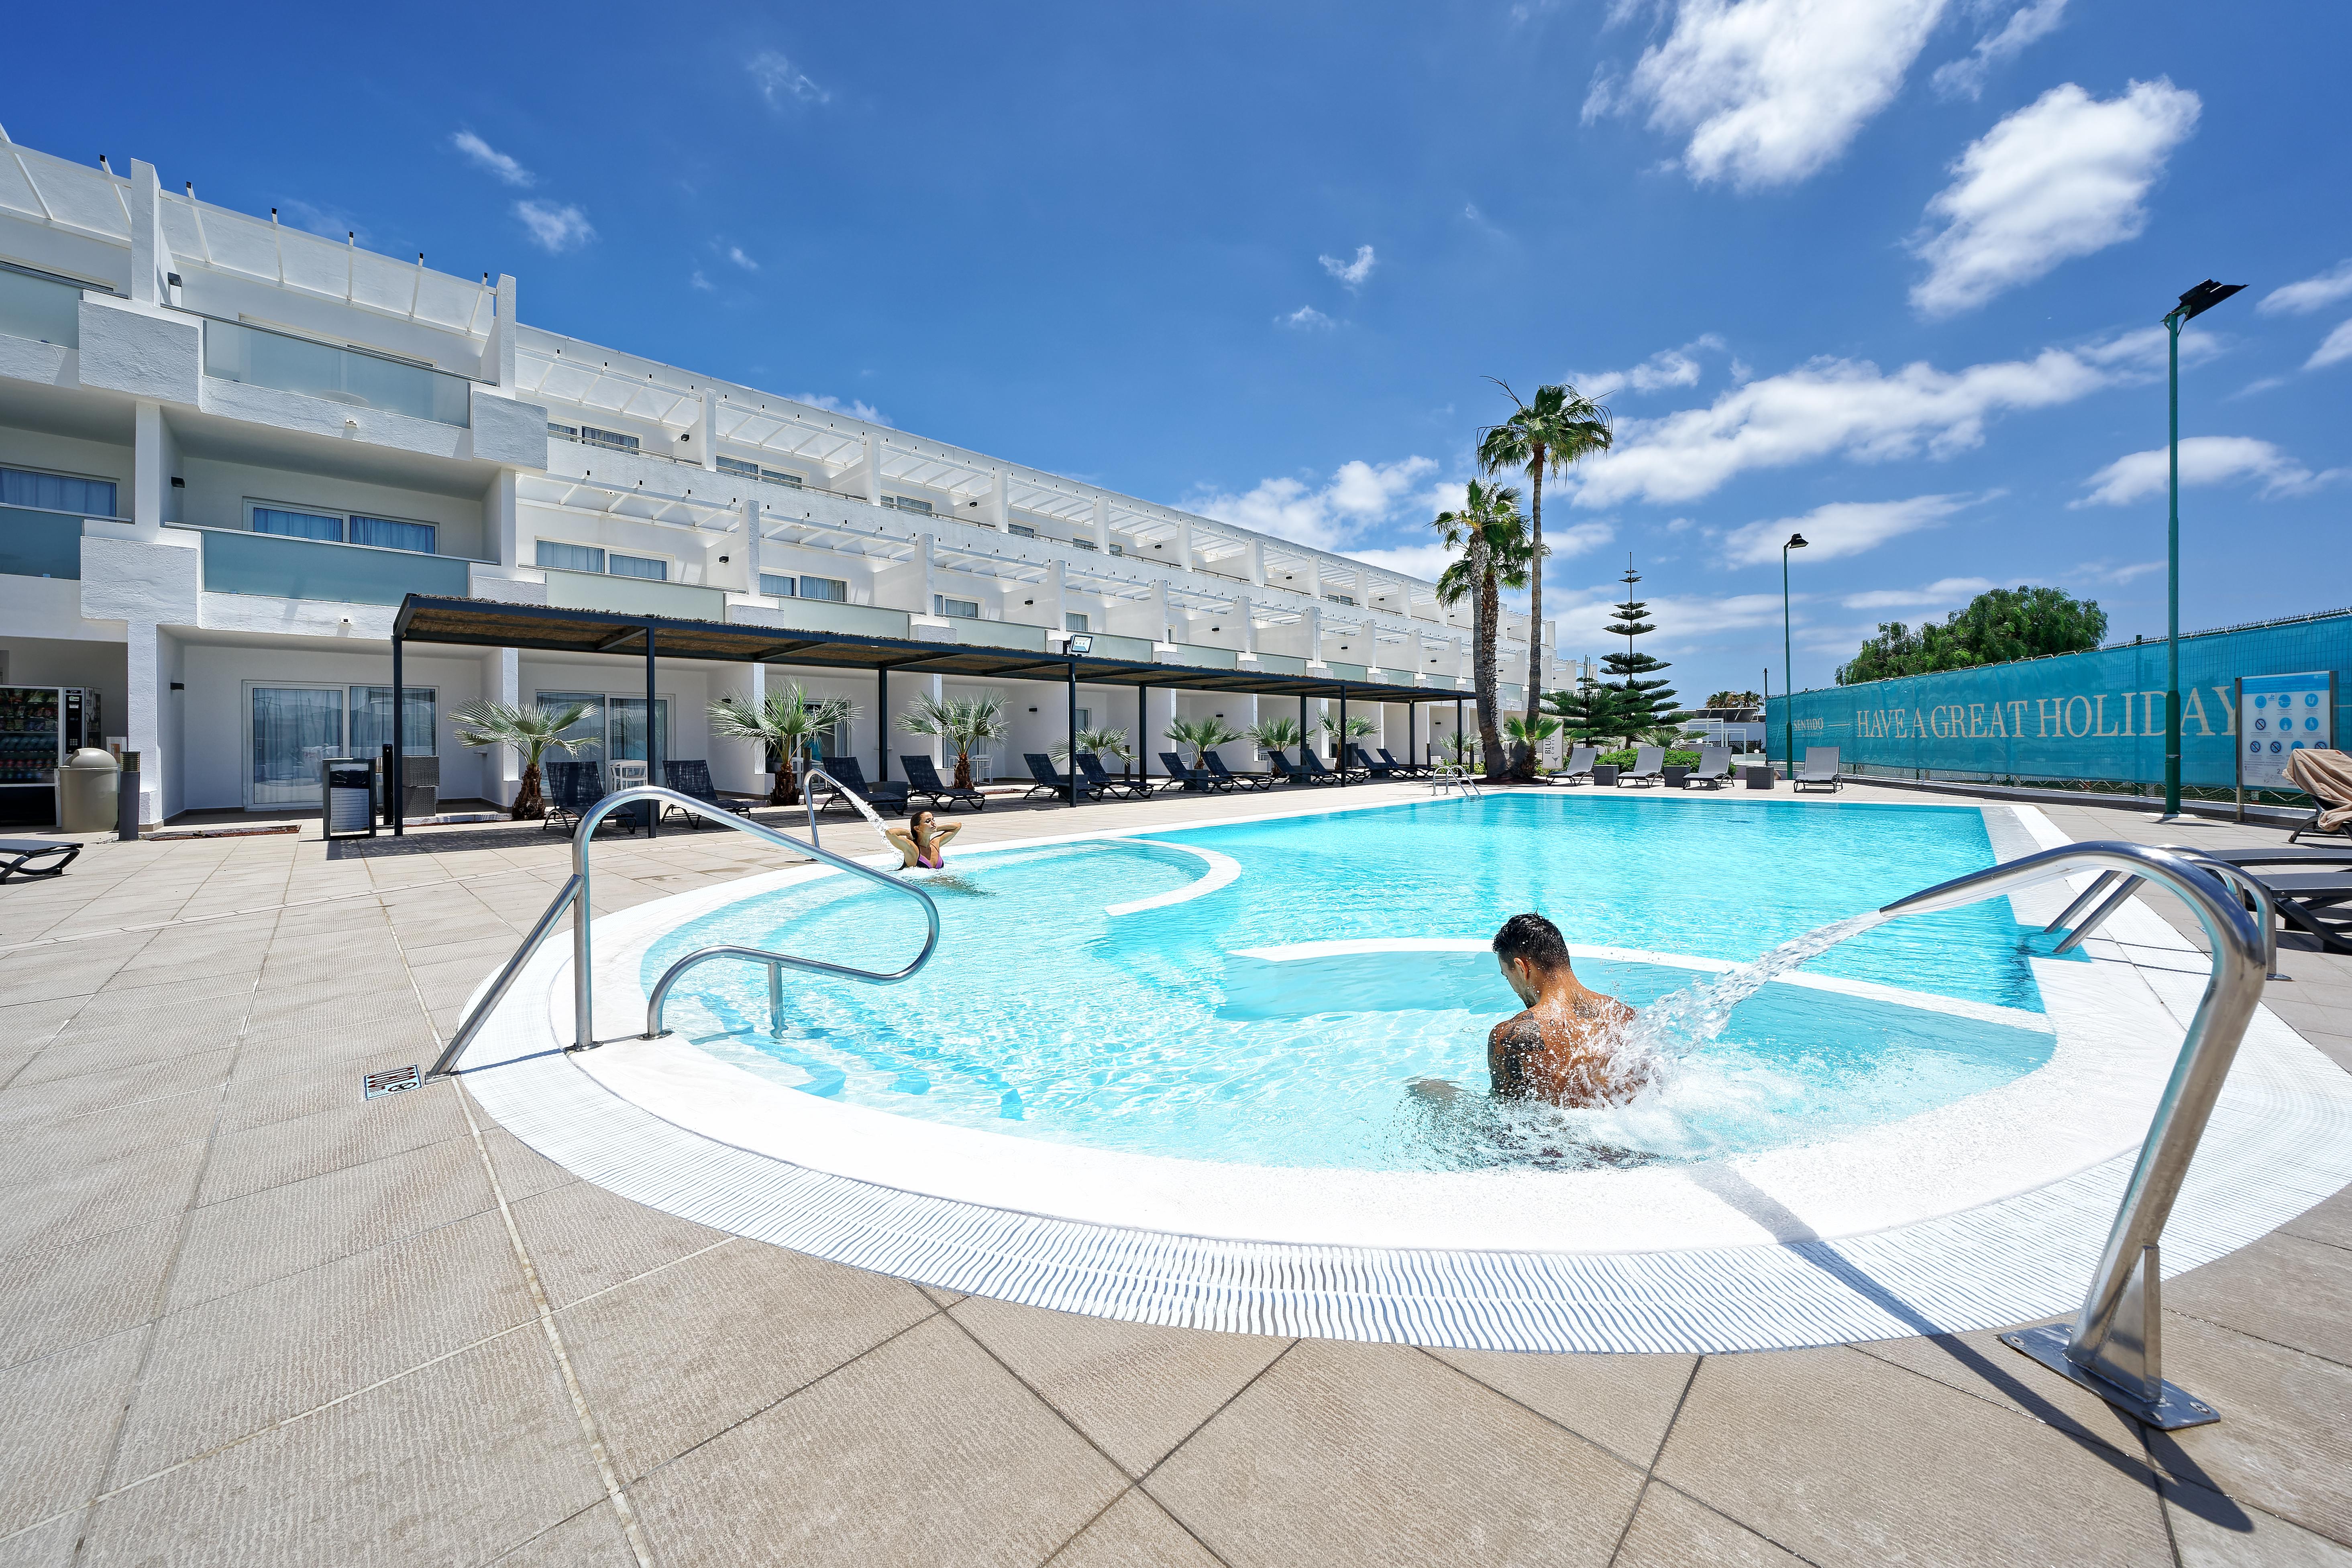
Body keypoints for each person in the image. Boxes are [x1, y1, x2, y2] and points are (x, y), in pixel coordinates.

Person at [1485, 912, 1645, 1106]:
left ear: (1521, 968)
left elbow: (1506, 1126)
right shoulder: (1625, 1016)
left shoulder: (1512, 1035)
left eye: (1506, 975)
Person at [885, 806, 961, 870]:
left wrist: (935, 828)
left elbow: (958, 826)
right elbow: (890, 833)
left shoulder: (935, 844)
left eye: (933, 820)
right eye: (928, 821)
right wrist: (908, 833)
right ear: (917, 829)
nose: (933, 823)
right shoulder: (913, 848)